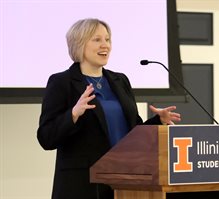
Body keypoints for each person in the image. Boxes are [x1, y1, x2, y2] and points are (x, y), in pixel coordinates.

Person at [37, 18, 181, 199]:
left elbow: (132, 132)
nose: (105, 45)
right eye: (97, 40)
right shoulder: (62, 82)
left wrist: (157, 121)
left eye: (107, 39)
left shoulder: (120, 81)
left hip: (125, 179)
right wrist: (73, 114)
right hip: (84, 184)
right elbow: (46, 137)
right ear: (79, 44)